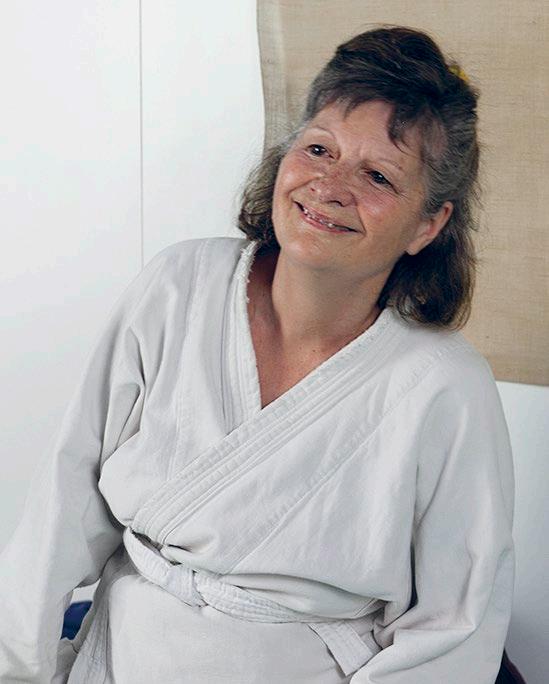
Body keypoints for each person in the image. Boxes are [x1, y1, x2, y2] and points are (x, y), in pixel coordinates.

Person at [0, 26, 515, 683]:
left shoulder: (446, 386)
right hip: (120, 660)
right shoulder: (178, 287)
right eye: (318, 148)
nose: (329, 185)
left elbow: (455, 628)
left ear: (428, 224)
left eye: (377, 176)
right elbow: (63, 503)